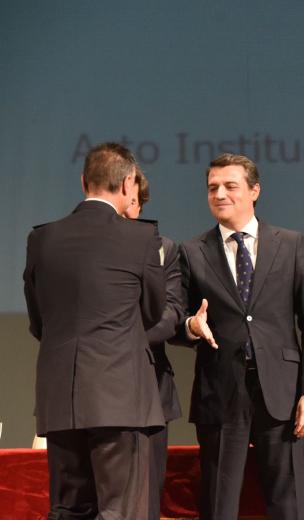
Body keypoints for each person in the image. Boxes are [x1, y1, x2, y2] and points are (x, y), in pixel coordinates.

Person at [175, 153, 304, 520]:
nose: (220, 194)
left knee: (286, 501)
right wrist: (190, 327)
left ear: (254, 190)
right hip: (220, 391)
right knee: (219, 503)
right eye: (213, 188)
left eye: (230, 186)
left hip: (282, 394)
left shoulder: (289, 244)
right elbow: (177, 319)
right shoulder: (193, 252)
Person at [23, 142, 166, 519]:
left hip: (60, 398)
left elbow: (39, 321)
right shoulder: (140, 238)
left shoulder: (42, 238)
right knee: (121, 511)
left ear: (84, 181)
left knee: (69, 509)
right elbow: (152, 313)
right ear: (128, 185)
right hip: (119, 399)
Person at [125, 170, 185, 520]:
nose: (128, 209)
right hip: (99, 387)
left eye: (134, 202)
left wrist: (123, 340)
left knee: (147, 503)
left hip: (150, 388)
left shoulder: (163, 249)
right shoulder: (88, 246)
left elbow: (172, 311)